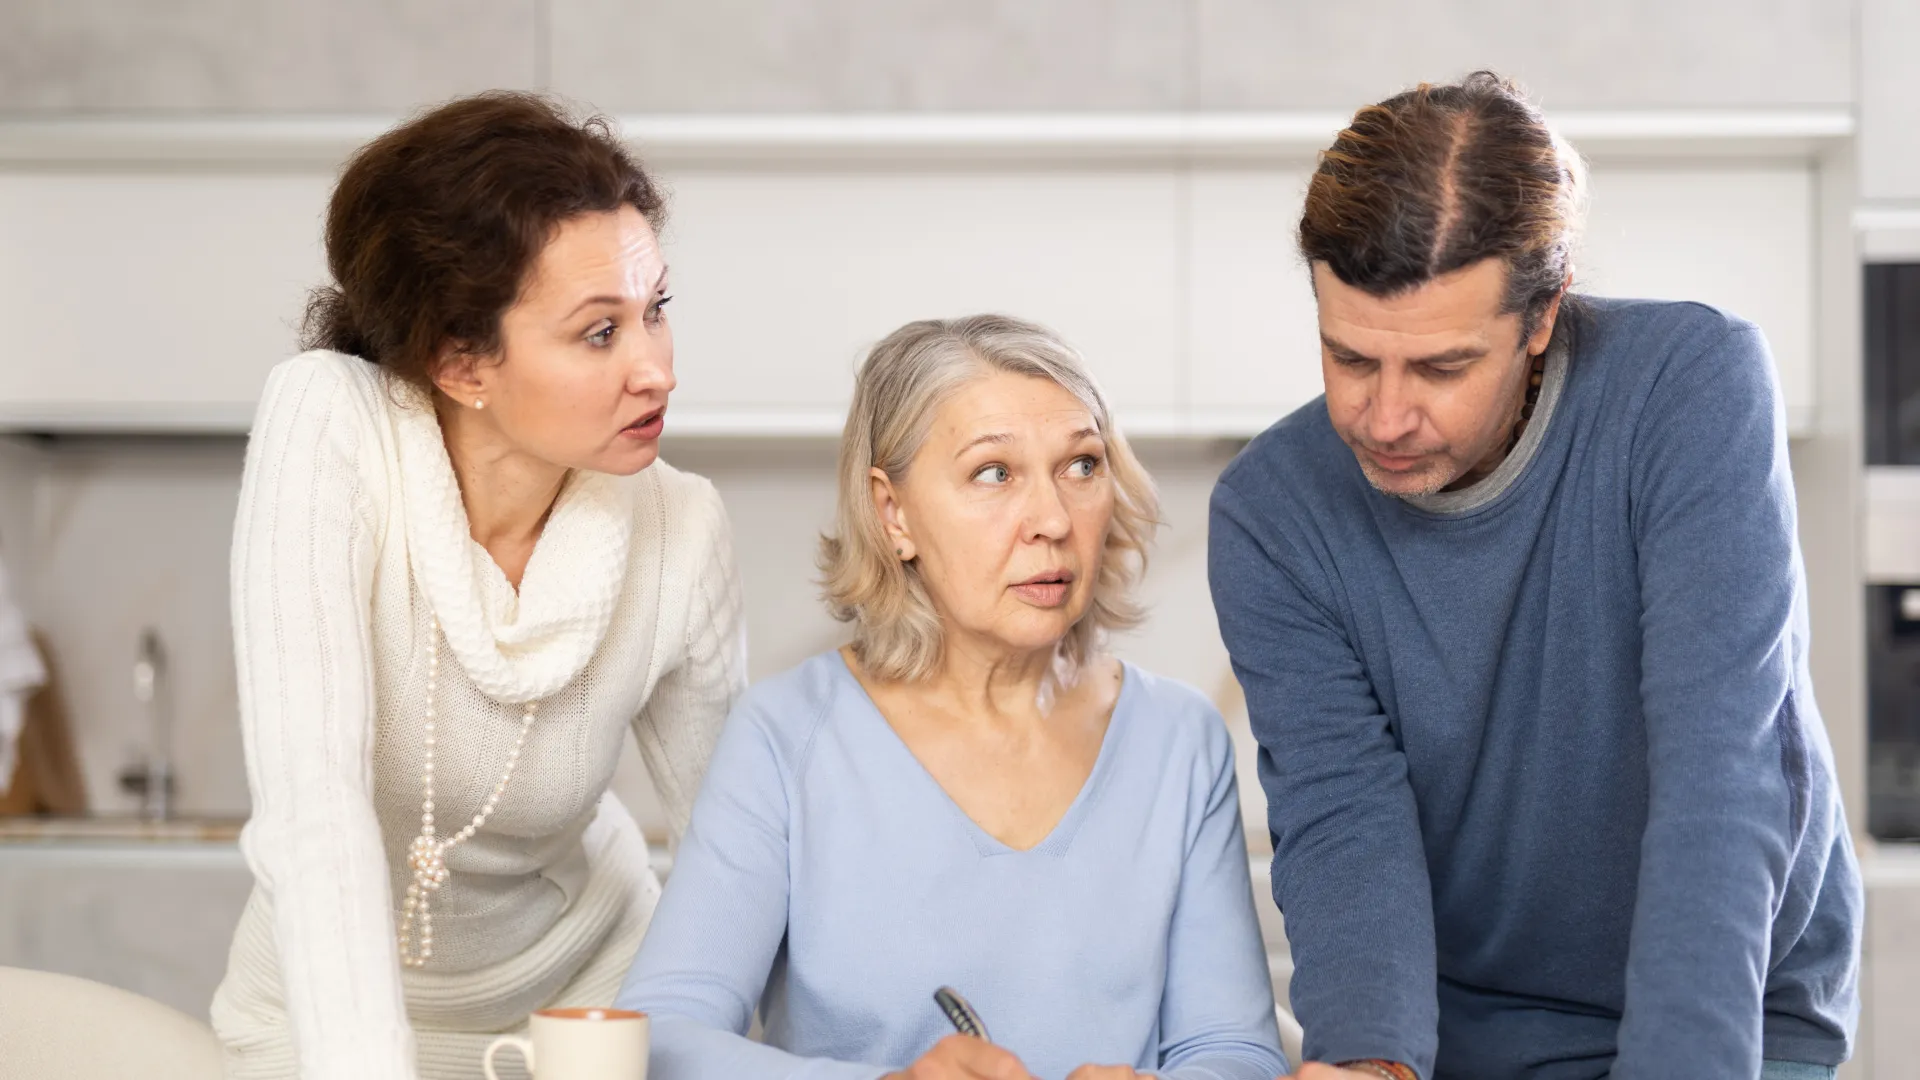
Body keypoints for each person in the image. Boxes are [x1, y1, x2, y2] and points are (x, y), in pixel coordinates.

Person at [1207, 73, 1861, 1080]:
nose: (1384, 419)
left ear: (1544, 315)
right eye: (1348, 358)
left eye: (1440, 369)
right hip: (1470, 1042)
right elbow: (1345, 823)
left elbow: (1721, 769)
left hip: (1727, 1020)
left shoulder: (1691, 387)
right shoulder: (1270, 514)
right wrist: (1374, 1064)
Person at [209, 92, 745, 1080]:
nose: (657, 370)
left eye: (656, 312)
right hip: (321, 1028)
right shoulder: (331, 427)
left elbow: (742, 851)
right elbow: (313, 808)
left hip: (592, 1011)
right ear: (462, 362)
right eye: (599, 333)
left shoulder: (682, 524)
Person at [617, 315, 1288, 1080]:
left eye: (1081, 465)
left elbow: (1235, 1052)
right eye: (994, 474)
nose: (1052, 521)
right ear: (892, 512)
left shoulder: (1179, 740)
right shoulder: (786, 735)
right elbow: (663, 1036)